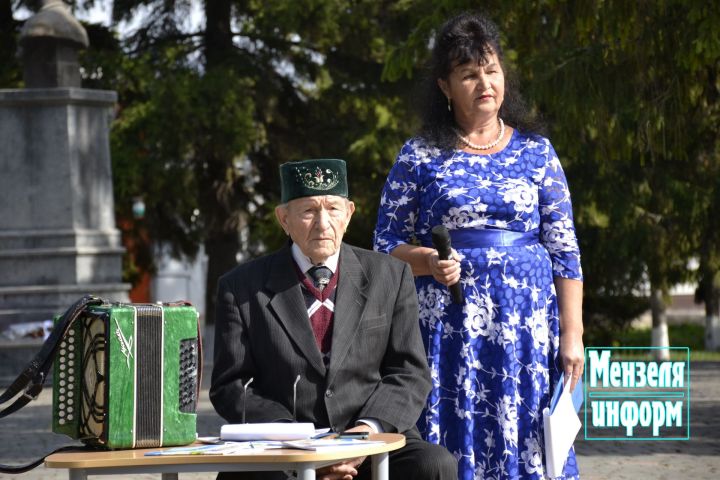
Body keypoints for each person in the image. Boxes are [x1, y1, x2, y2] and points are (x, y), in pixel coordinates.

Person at [373, 12, 584, 480]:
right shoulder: (419, 154)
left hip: (528, 333)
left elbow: (565, 249)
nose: (484, 82)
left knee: (527, 440)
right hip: (449, 330)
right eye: (469, 74)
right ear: (446, 87)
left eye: (491, 70)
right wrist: (427, 261)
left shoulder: (537, 152)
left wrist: (573, 334)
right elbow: (385, 243)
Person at [211, 158, 458, 480]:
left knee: (433, 465)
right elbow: (232, 385)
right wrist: (294, 441)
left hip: (370, 442)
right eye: (309, 211)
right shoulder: (241, 287)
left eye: (333, 209)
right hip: (283, 445)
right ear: (283, 218)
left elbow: (409, 371)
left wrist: (361, 436)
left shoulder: (390, 275)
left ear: (350, 214)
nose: (323, 223)